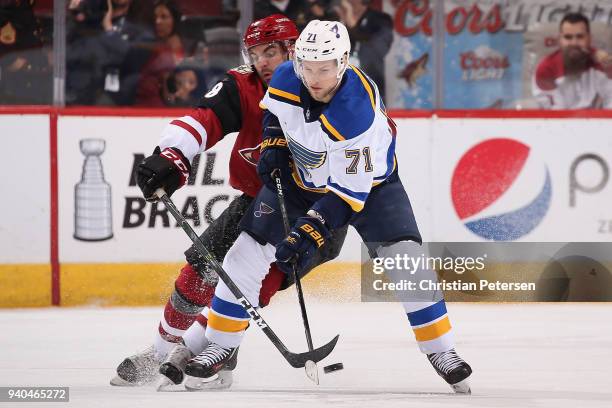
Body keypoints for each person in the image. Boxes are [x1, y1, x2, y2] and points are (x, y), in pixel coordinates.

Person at [184, 20, 473, 394]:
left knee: (406, 259)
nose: (314, 78)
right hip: (301, 178)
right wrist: (273, 142)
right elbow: (274, 111)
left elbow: (346, 197)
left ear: (343, 63)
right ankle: (220, 346)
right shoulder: (288, 74)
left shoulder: (357, 112)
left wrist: (308, 233)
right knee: (244, 253)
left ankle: (441, 350)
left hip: (371, 188)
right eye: (308, 67)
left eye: (324, 69)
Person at [111, 14, 347, 390]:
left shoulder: (330, 84)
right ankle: (161, 351)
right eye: (255, 53)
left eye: (271, 51)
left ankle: (205, 353)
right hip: (258, 200)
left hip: (321, 211)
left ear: (294, 48)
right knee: (198, 272)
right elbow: (205, 118)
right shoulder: (244, 84)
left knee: (251, 283)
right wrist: (173, 154)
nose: (262, 62)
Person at [533, 12, 612, 109]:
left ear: (590, 38)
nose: (574, 43)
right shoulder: (546, 69)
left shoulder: (603, 64)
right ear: (560, 40)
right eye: (568, 37)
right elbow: (553, 114)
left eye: (580, 37)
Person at [334, 0, 393, 103]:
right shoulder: (336, 19)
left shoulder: (380, 19)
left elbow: (376, 46)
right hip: (341, 88)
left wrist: (351, 20)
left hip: (369, 85)